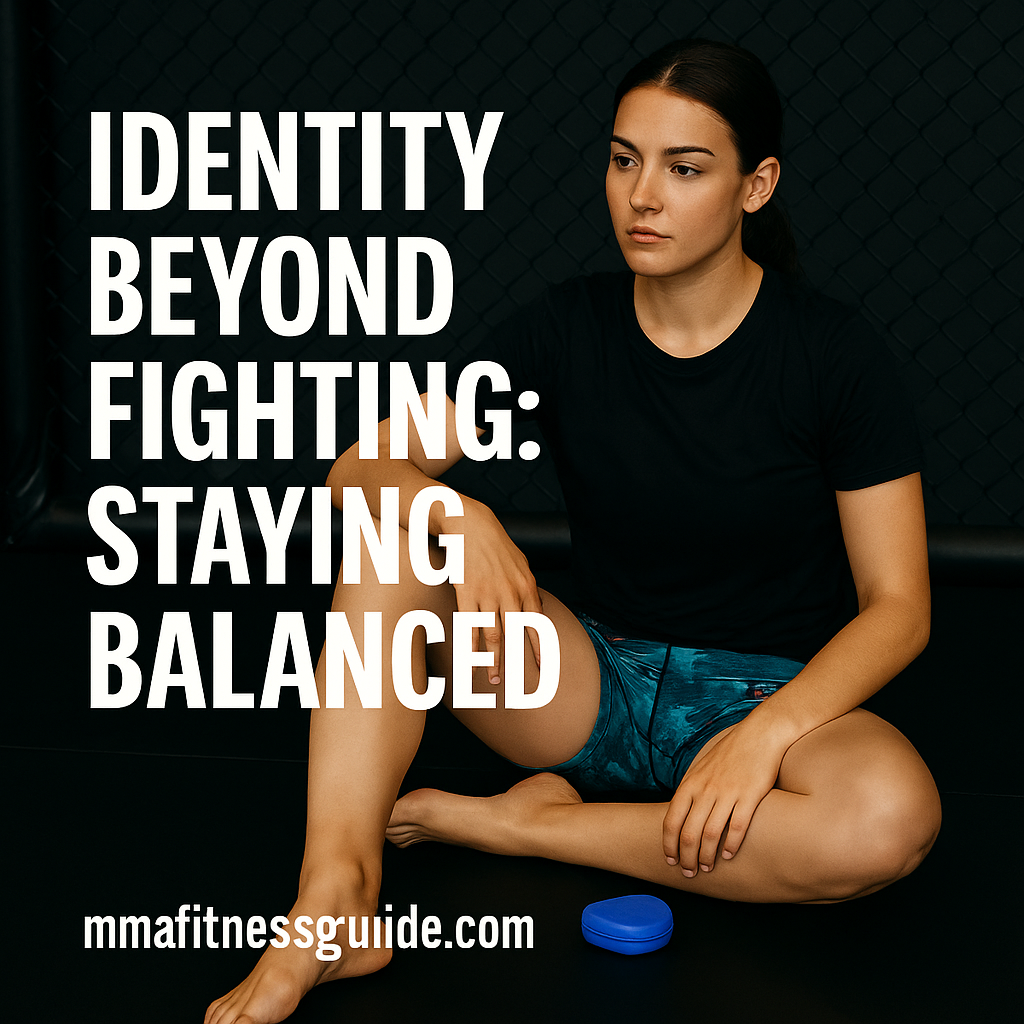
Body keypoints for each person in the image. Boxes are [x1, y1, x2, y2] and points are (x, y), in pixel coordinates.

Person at [206, 38, 941, 1024]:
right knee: (390, 534)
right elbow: (356, 470)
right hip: (589, 682)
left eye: (684, 169)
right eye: (623, 158)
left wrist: (763, 736)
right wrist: (447, 507)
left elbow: (899, 609)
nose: (642, 194)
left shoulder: (833, 355)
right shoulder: (565, 328)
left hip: (774, 697)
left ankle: (542, 830)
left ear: (755, 186)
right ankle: (334, 894)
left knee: (888, 820)